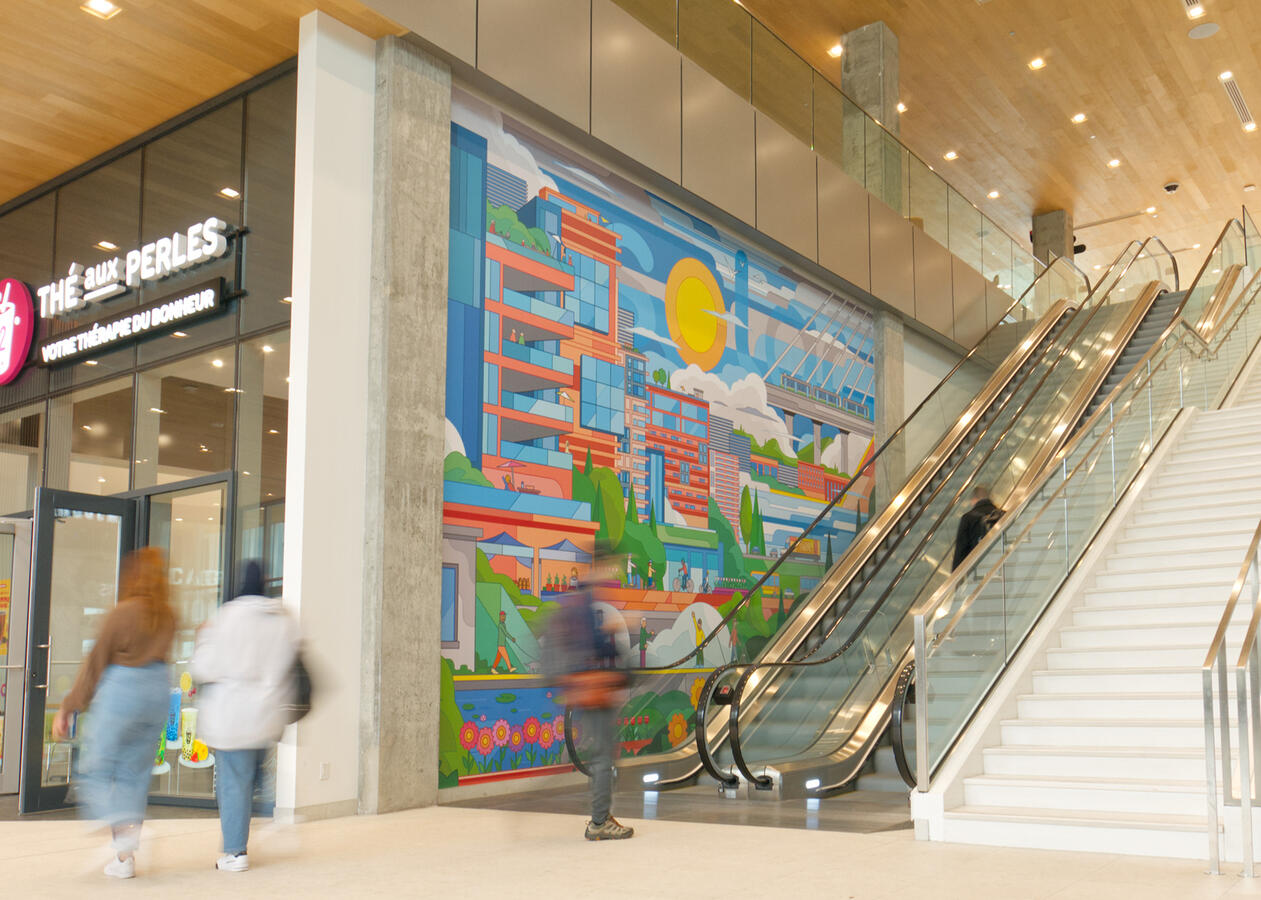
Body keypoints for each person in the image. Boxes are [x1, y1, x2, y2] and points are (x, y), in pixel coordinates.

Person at [54, 547, 175, 880]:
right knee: (132, 777)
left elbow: (95, 665)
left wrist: (68, 707)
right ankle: (124, 859)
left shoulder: (122, 612)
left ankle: (128, 835)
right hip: (157, 690)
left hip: (125, 689)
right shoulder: (168, 615)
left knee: (94, 768)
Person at [191, 560, 300, 873]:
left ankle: (236, 852)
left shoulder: (227, 617)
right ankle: (272, 823)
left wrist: (203, 641)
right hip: (266, 713)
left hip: (233, 715)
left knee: (235, 784)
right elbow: (291, 662)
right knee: (255, 777)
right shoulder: (282, 618)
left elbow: (204, 667)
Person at [550, 550, 633, 841]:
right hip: (594, 688)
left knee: (603, 753)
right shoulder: (583, 605)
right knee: (602, 756)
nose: (610, 575)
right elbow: (591, 649)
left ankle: (602, 814)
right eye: (609, 568)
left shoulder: (580, 602)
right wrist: (612, 634)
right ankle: (599, 822)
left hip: (587, 688)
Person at [952, 485, 1004, 571]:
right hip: (1001, 566)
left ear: (974, 500)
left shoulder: (968, 518)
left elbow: (961, 550)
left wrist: (955, 575)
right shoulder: (1003, 515)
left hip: (978, 569)